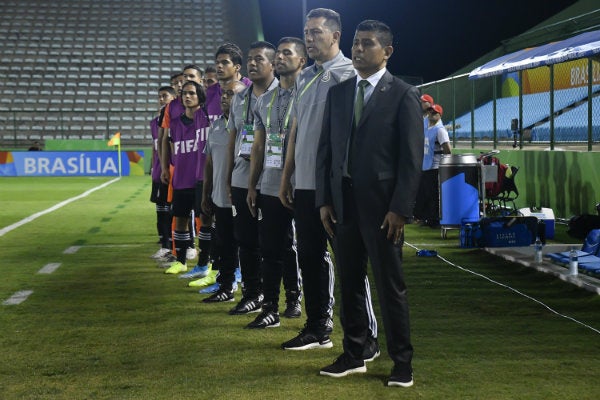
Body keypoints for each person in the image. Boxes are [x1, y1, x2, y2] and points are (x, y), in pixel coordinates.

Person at [315, 20, 423, 387]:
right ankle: (354, 353)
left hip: (383, 210)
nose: (358, 49)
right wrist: (325, 199)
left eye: (367, 44)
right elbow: (326, 152)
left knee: (390, 285)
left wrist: (400, 208)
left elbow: (411, 159)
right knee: (349, 283)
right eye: (356, 43)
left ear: (387, 52)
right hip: (342, 204)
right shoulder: (340, 93)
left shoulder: (404, 94)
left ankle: (402, 362)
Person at [279, 8, 379, 355]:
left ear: (336, 36)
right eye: (306, 32)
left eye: (316, 32)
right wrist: (287, 174)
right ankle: (317, 327)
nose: (309, 37)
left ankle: (366, 337)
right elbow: (295, 129)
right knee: (309, 256)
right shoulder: (305, 76)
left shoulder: (348, 74)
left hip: (336, 186)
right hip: (305, 183)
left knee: (349, 261)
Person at [245, 37, 307, 329]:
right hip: (270, 183)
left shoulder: (308, 94)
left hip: (304, 182)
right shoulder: (263, 101)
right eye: (279, 53)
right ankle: (270, 307)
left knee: (304, 248)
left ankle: (296, 297)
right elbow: (258, 147)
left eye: (287, 53)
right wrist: (252, 185)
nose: (281, 58)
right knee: (271, 247)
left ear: (302, 61)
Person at [225, 41, 279, 315]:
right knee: (245, 241)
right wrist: (227, 177)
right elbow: (234, 137)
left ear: (273, 64)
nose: (252, 63)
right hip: (241, 177)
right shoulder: (240, 97)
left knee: (275, 244)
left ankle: (288, 298)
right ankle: (251, 294)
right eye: (249, 58)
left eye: (259, 58)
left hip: (272, 178)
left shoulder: (284, 95)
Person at [201, 80, 247, 302]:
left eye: (231, 94)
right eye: (223, 94)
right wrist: (205, 194)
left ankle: (252, 292)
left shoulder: (250, 125)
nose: (225, 98)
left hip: (242, 196)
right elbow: (209, 163)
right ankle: (226, 287)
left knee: (248, 246)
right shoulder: (216, 126)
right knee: (224, 244)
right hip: (219, 197)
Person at [162, 80, 210, 275]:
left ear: (200, 96)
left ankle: (205, 264)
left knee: (204, 222)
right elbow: (172, 148)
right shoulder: (174, 123)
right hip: (181, 179)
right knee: (180, 220)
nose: (187, 97)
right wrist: (167, 168)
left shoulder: (206, 120)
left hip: (200, 180)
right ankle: (180, 261)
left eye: (191, 93)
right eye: (184, 94)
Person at [150, 86, 177, 260]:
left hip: (172, 172)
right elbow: (155, 146)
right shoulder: (154, 121)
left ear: (173, 98)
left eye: (165, 96)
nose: (161, 99)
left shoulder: (175, 120)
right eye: (159, 96)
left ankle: (177, 247)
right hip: (158, 172)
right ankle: (164, 245)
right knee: (160, 210)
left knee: (172, 212)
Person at [414, 103, 451, 227]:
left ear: (440, 115)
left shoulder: (440, 130)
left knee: (433, 195)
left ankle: (434, 220)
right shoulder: (428, 128)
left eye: (434, 113)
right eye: (430, 112)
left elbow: (447, 149)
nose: (431, 114)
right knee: (425, 193)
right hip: (425, 165)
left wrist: (444, 163)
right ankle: (426, 218)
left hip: (435, 166)